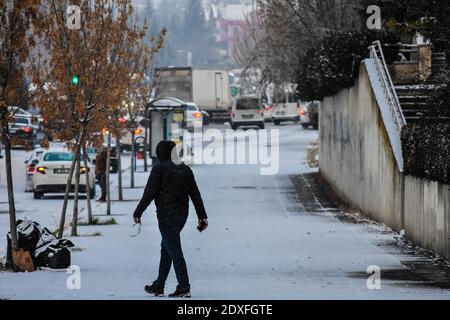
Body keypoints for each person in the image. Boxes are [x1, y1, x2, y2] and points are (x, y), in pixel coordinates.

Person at [133, 140, 208, 298]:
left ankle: (184, 286)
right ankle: (159, 286)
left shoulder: (159, 169)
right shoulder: (185, 169)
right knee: (166, 249)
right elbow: (195, 194)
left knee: (174, 251)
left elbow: (149, 193)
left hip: (166, 215)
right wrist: (202, 216)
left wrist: (138, 212)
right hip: (182, 216)